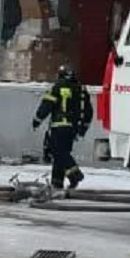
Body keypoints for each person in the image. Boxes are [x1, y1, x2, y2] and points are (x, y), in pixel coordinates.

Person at [32, 64, 93, 193]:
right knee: (61, 153)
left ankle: (75, 174)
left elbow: (47, 105)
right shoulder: (81, 89)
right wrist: (82, 129)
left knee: (58, 152)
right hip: (73, 129)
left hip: (59, 126)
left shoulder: (58, 87)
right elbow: (88, 111)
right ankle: (57, 182)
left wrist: (37, 120)